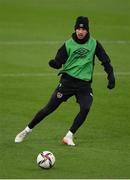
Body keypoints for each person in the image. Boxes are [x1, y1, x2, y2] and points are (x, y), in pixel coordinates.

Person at [15, 16, 115, 146]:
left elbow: (105, 60)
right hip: (68, 82)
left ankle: (69, 136)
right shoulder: (68, 44)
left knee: (86, 107)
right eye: (78, 28)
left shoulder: (94, 44)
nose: (80, 31)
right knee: (49, 108)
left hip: (84, 85)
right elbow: (59, 60)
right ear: (75, 29)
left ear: (87, 30)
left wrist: (110, 75)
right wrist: (55, 64)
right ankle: (26, 130)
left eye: (83, 29)